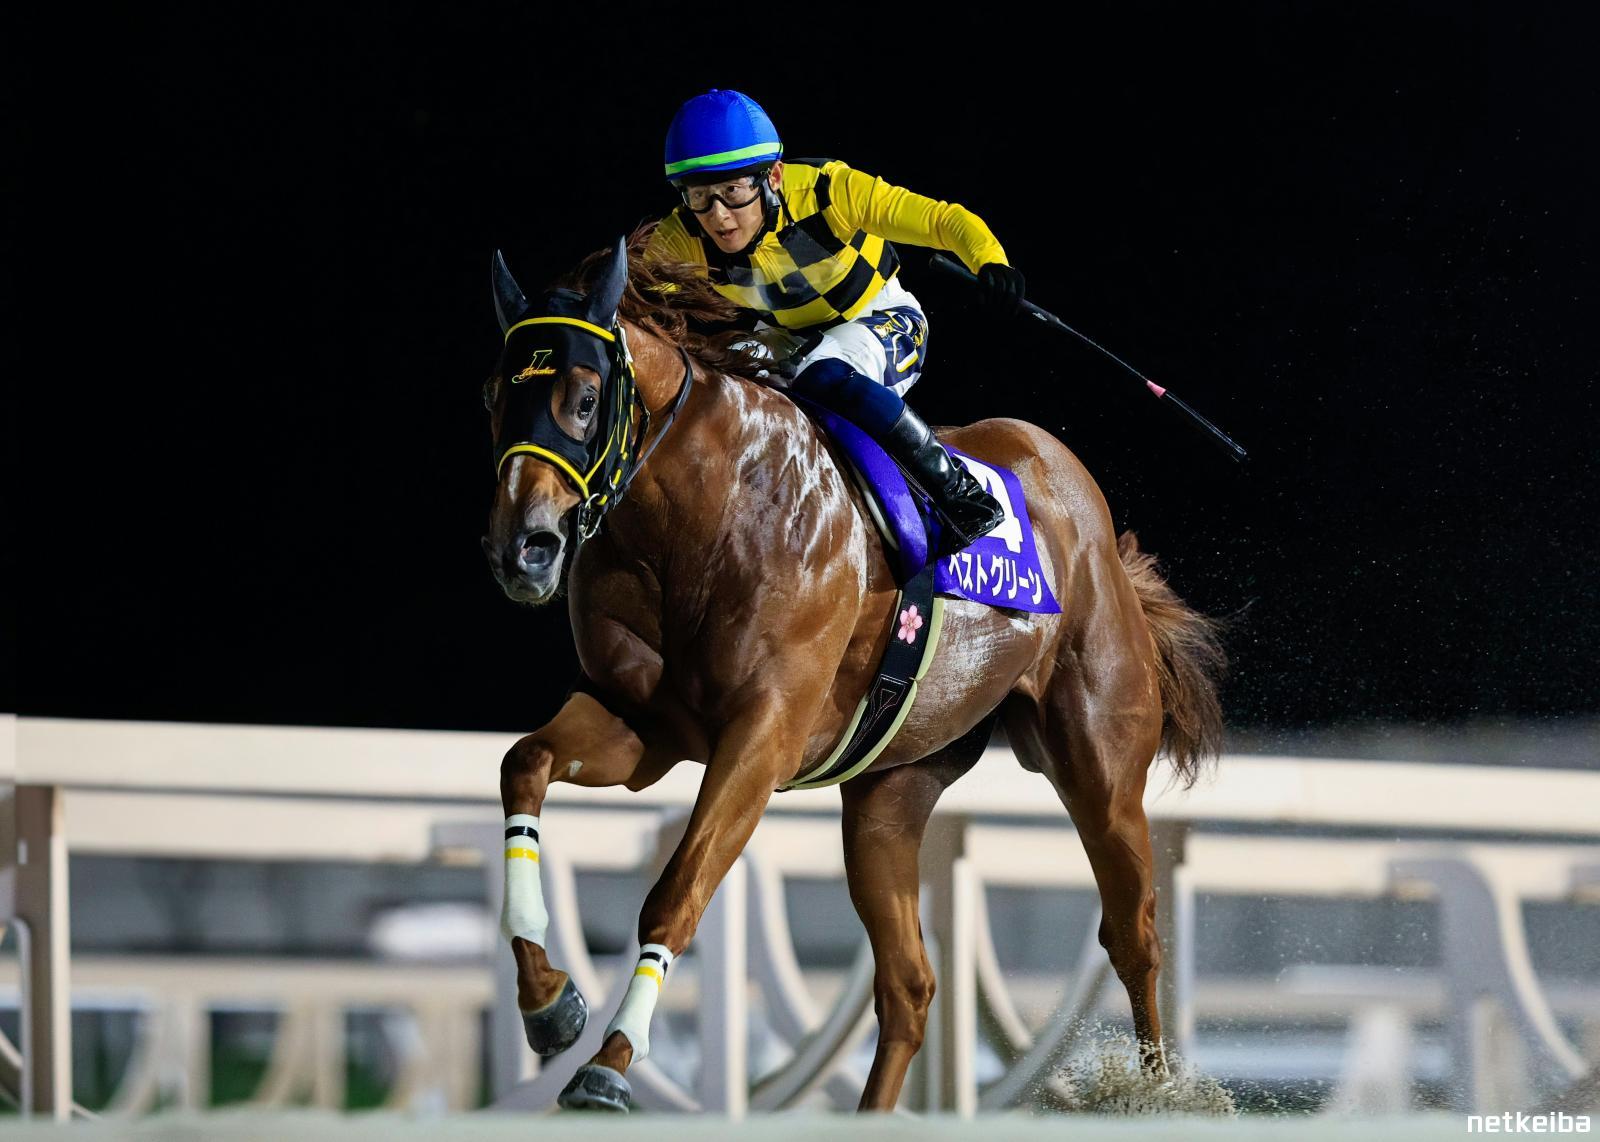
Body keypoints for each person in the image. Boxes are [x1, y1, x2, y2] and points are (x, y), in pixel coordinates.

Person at [643, 89, 1027, 556]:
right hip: (785, 338)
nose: (718, 217)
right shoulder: (682, 235)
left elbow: (940, 220)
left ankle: (960, 494)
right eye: (699, 196)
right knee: (721, 384)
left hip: (881, 317)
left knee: (822, 372)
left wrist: (990, 260)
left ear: (773, 176)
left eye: (733, 192)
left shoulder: (830, 192)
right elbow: (625, 305)